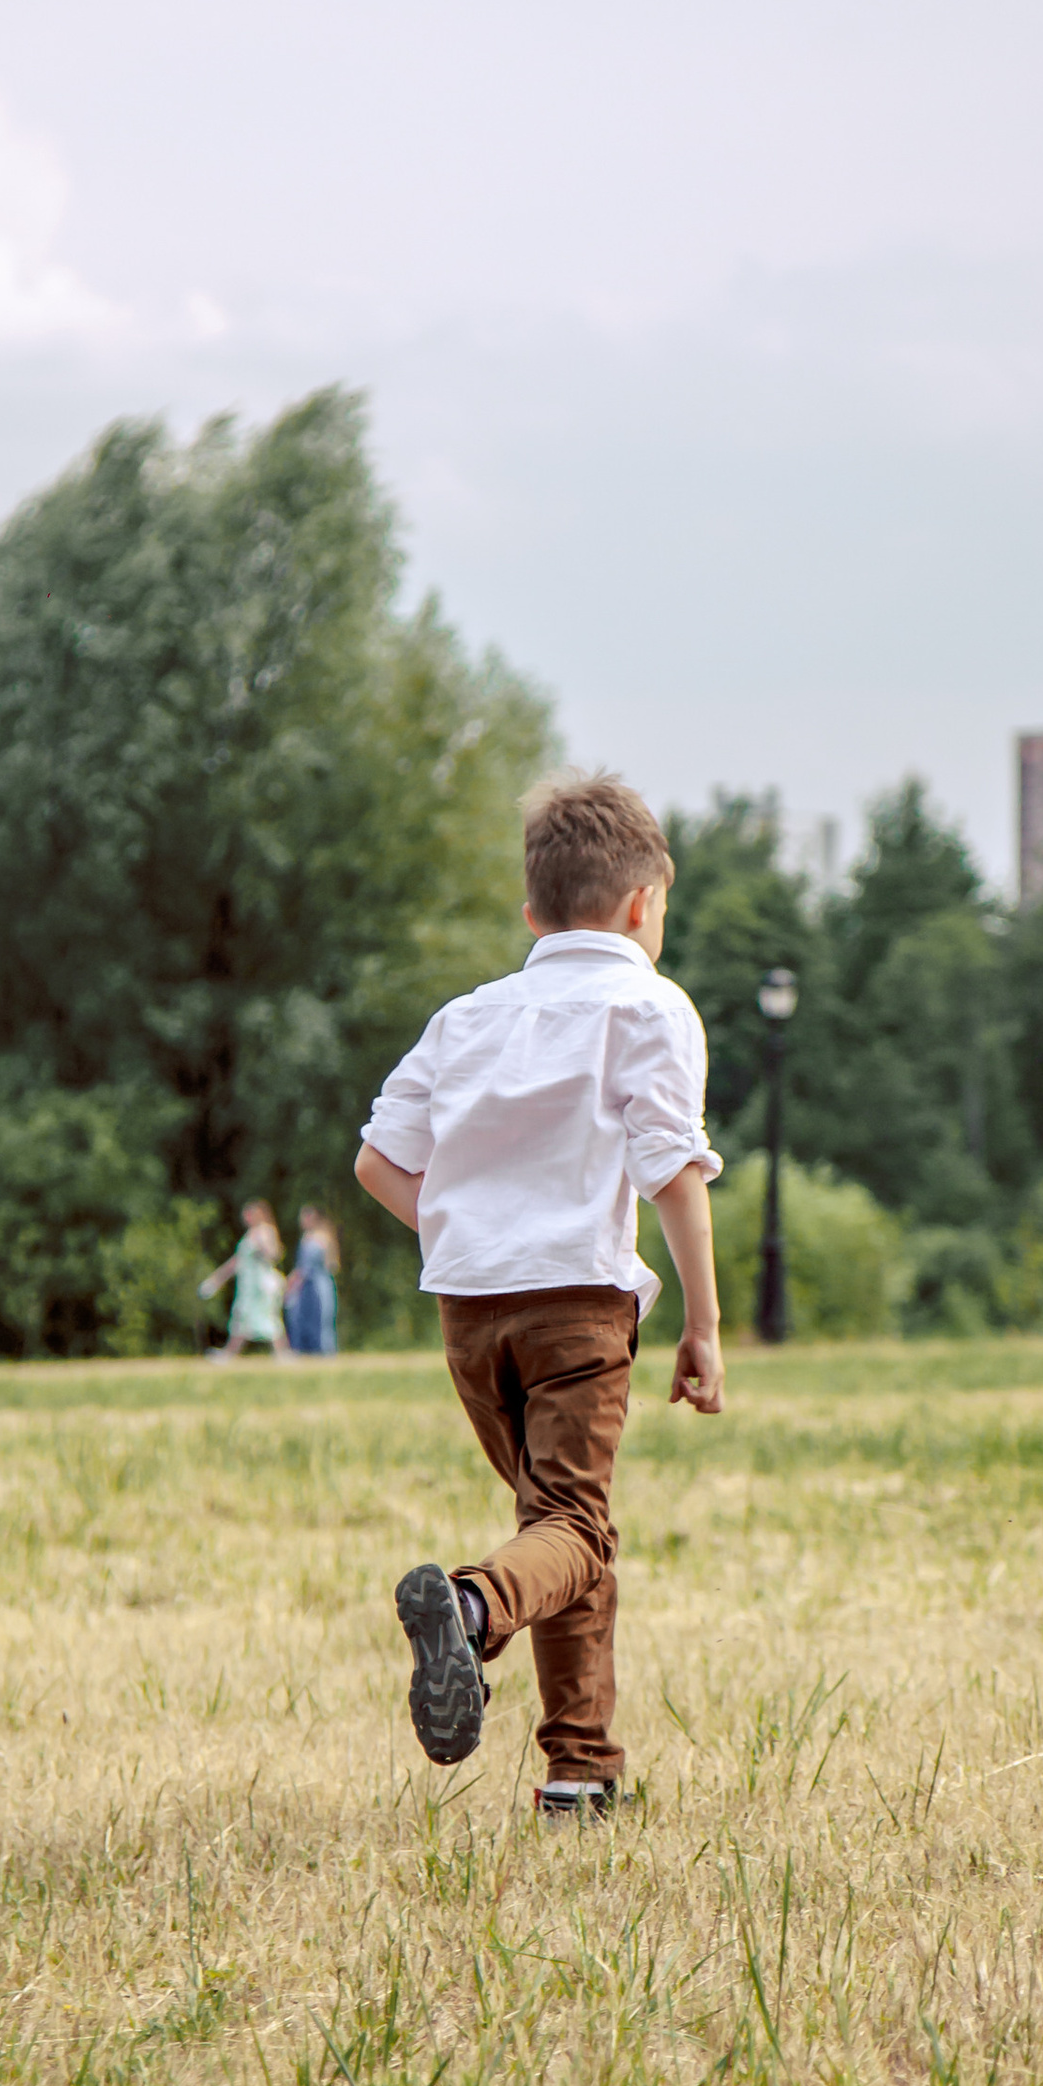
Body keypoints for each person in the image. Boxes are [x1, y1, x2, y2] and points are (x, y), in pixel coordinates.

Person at [355, 768, 725, 1820]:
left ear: (532, 914)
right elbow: (672, 1170)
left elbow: (378, 1163)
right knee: (573, 1527)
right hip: (576, 1307)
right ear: (644, 904)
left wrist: (469, 1232)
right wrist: (703, 1324)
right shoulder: (648, 1005)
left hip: (470, 1315)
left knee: (559, 1529)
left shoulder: (468, 1016)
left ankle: (579, 1774)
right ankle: (471, 1608)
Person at [200, 1201, 290, 1359]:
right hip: (248, 1285)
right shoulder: (249, 1234)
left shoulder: (265, 1231)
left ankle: (281, 1353)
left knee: (265, 1317)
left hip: (260, 1285)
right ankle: (230, 1353)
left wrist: (262, 1246)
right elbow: (237, 1261)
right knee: (243, 1318)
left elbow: (274, 1255)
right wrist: (216, 1279)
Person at [285, 1206, 341, 1357]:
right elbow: (300, 1265)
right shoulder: (305, 1237)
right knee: (301, 1317)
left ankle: (325, 1351)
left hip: (319, 1283)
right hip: (304, 1284)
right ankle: (303, 1352)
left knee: (322, 1317)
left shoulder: (324, 1237)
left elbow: (332, 1264)